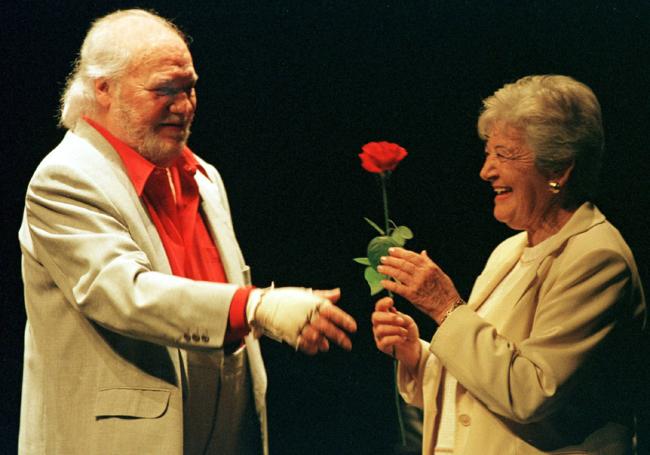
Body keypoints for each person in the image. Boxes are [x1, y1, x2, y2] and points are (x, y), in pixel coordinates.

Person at [18, 9, 357, 455]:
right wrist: (258, 306)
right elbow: (124, 293)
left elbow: (217, 296)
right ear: (104, 88)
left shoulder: (203, 177)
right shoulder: (66, 178)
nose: (184, 106)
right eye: (165, 91)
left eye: (190, 88)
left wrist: (273, 316)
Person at [371, 75, 646, 454]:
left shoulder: (598, 259)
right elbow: (486, 378)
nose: (487, 171)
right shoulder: (510, 250)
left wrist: (445, 307)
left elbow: (530, 392)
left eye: (504, 154)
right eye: (488, 153)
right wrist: (417, 355)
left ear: (558, 170)